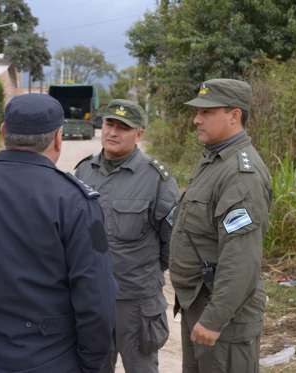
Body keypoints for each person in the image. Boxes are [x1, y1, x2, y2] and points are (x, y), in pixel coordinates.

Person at [0, 93, 116, 373]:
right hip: (53, 360)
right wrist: (94, 365)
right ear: (58, 139)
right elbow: (96, 300)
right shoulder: (74, 201)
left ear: (3, 132)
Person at [169, 79, 271, 372]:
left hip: (224, 318)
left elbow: (242, 259)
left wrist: (214, 319)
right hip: (201, 305)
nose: (196, 119)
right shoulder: (214, 161)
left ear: (234, 115)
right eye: (197, 112)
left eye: (206, 112)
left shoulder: (241, 174)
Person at [75, 99, 179, 373]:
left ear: (139, 133)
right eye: (110, 124)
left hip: (136, 301)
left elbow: (172, 241)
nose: (113, 132)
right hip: (93, 298)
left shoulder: (157, 179)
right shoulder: (84, 171)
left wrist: (143, 272)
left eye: (123, 127)